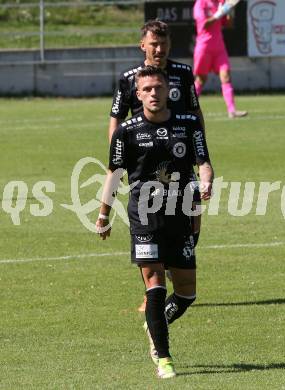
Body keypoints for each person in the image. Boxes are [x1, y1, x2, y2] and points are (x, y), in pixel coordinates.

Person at [96, 66, 214, 378]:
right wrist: (103, 214)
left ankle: (155, 325)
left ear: (168, 92)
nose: (152, 94)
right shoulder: (127, 131)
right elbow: (114, 174)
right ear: (138, 94)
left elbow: (204, 162)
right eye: (146, 89)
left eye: (157, 88)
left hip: (181, 215)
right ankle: (164, 358)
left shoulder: (188, 125)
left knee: (187, 293)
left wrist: (206, 181)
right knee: (155, 286)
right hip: (144, 218)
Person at [110, 19, 204, 312]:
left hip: (182, 158)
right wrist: (116, 154)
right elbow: (116, 116)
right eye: (154, 44)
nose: (159, 49)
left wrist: (202, 157)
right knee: (151, 223)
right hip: (146, 163)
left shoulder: (183, 74)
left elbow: (195, 112)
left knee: (190, 222)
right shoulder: (129, 78)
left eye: (163, 44)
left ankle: (176, 278)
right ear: (143, 46)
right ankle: (153, 290)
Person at [193, 0, 248, 118]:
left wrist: (229, 12)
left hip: (219, 48)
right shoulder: (200, 3)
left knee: (226, 76)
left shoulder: (221, 2)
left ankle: (232, 111)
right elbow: (205, 24)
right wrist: (221, 12)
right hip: (204, 47)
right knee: (201, 79)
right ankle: (189, 108)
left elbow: (229, 24)